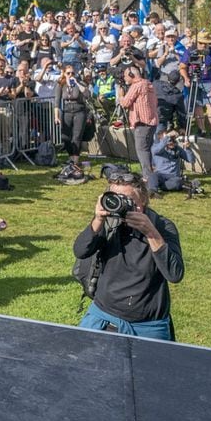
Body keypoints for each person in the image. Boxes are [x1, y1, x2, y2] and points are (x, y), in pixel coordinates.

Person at [74, 172, 183, 340]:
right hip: (105, 315)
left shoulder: (162, 226)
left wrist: (150, 232)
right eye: (115, 199)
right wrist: (97, 220)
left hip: (148, 324)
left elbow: (175, 274)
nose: (120, 206)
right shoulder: (109, 221)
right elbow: (80, 251)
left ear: (143, 201)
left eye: (127, 200)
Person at [119, 65, 159, 182]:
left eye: (126, 76)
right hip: (151, 122)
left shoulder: (136, 85)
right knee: (147, 149)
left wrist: (121, 95)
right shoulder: (148, 83)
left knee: (142, 150)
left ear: (132, 75)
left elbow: (125, 103)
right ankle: (150, 174)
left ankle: (147, 177)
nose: (125, 78)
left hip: (142, 123)